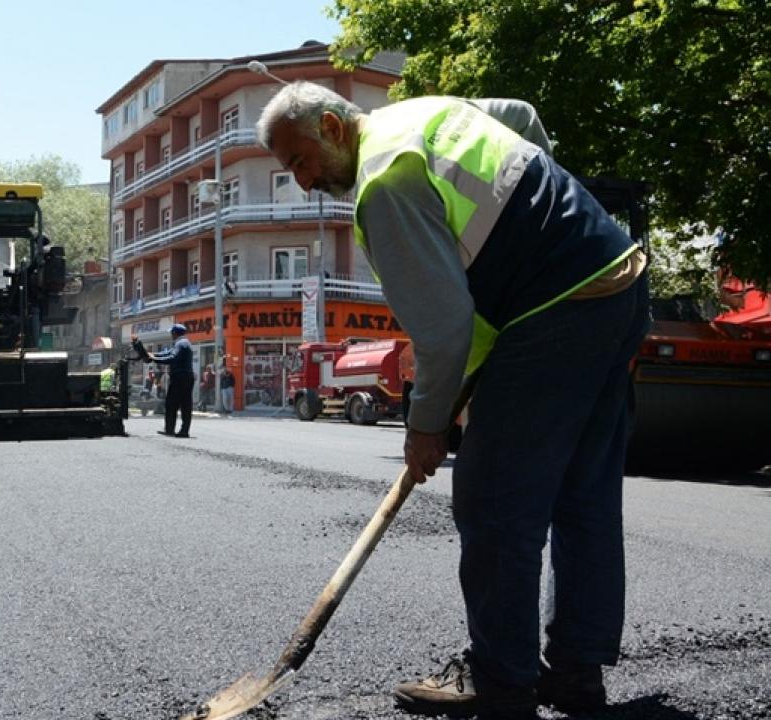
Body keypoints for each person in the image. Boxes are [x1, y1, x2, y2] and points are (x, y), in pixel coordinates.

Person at [256, 83, 649, 719]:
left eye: (299, 162)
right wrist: (548, 227)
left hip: (554, 309)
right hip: (616, 276)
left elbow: (443, 331)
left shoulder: (383, 186)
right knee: (584, 496)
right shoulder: (426, 114)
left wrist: (424, 428)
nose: (302, 182)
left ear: (331, 126)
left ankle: (502, 684)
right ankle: (577, 672)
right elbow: (523, 114)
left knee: (494, 504)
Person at [141, 324, 194, 438]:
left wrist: (154, 359)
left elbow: (172, 358)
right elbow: (167, 353)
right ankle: (184, 431)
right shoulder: (184, 343)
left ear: (175, 333)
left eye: (171, 333)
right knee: (186, 405)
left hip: (179, 377)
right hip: (187, 377)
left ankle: (170, 429)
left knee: (171, 404)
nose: (171, 335)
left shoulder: (180, 344)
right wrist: (153, 355)